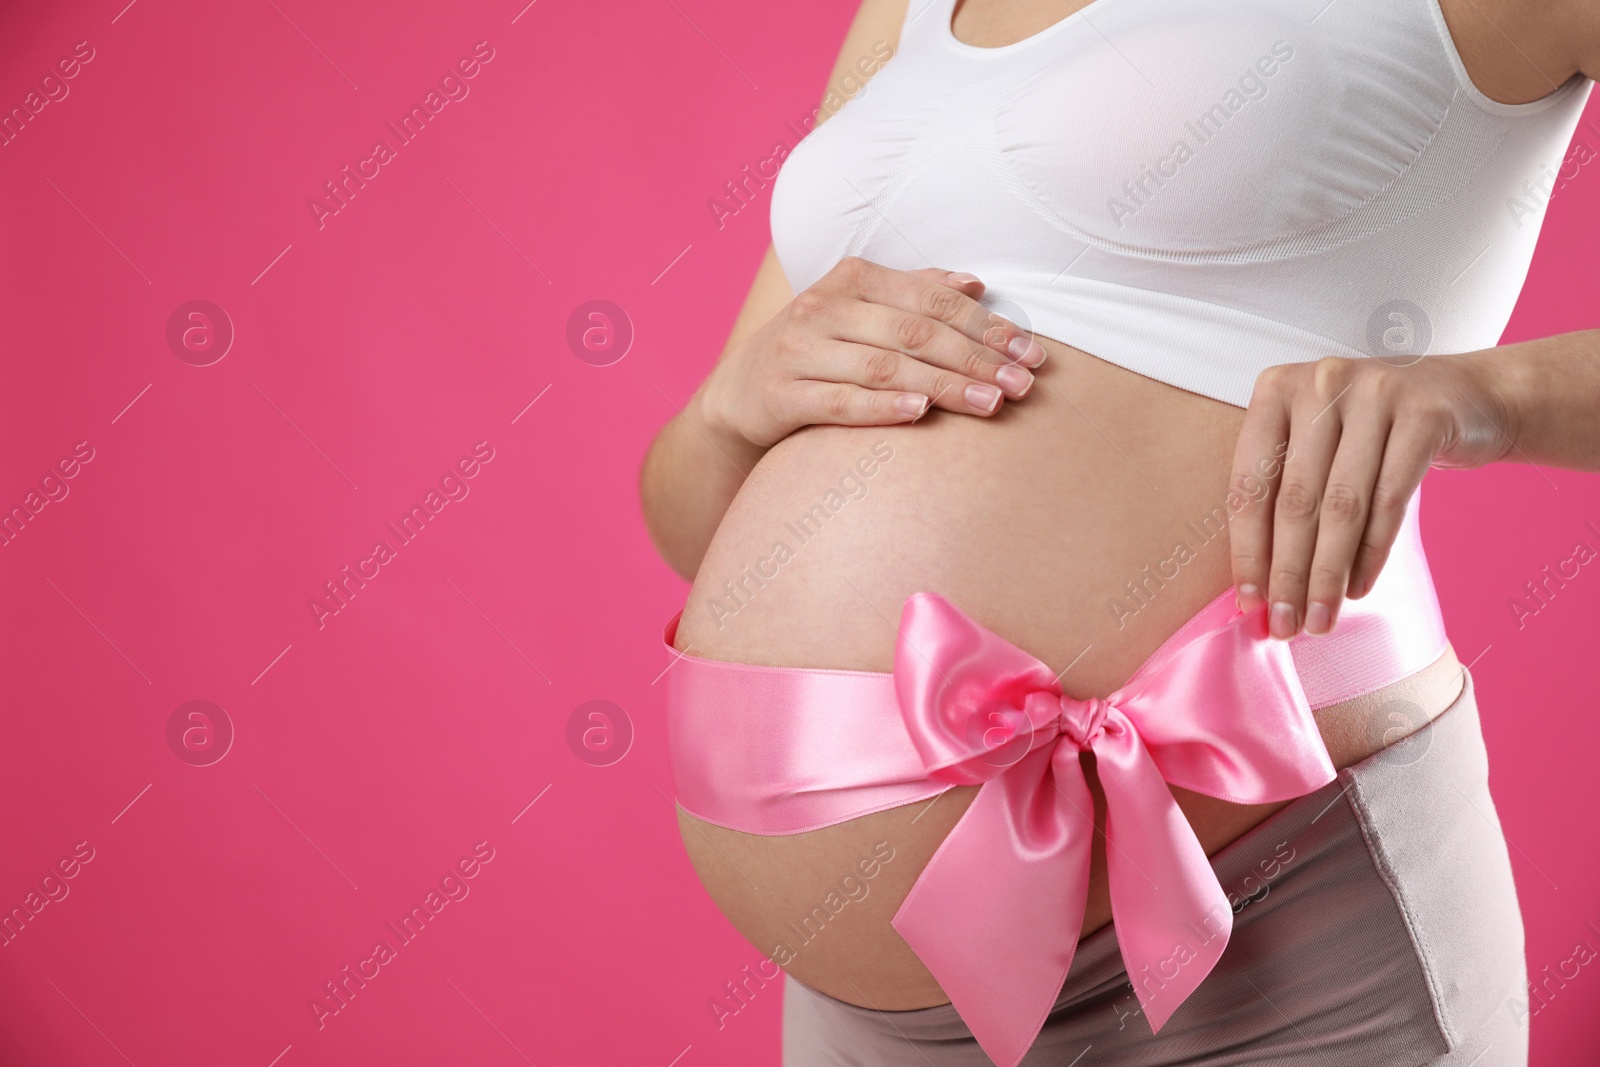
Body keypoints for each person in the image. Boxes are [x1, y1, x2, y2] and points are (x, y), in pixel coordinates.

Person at [640, 0, 1600, 1062]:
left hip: (1287, 939)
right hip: (866, 1018)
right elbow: (694, 526)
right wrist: (731, 408)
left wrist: (1497, 392)